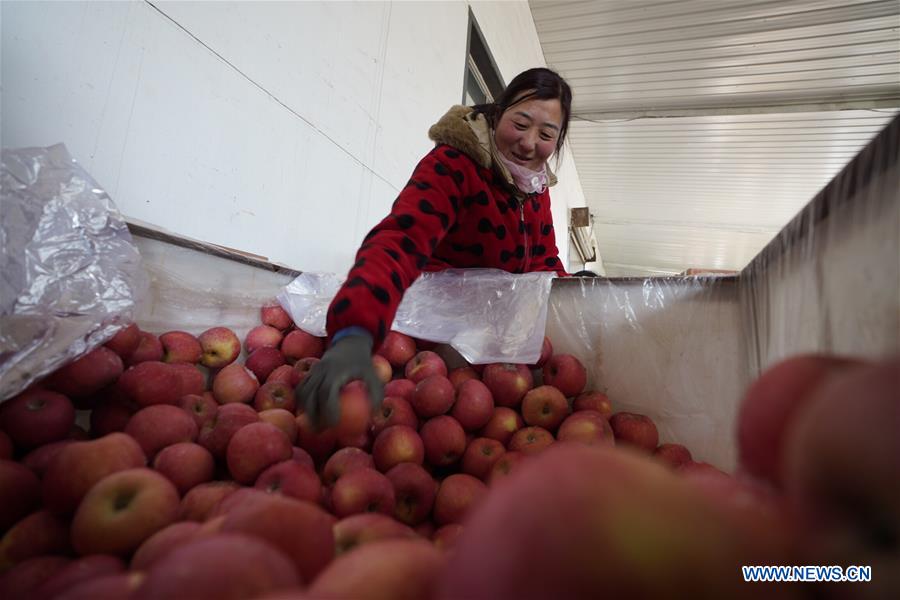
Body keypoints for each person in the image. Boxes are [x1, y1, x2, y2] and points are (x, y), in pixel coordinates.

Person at [297, 67, 573, 427]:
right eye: (520, 124)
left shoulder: (536, 189)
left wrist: (574, 291)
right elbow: (401, 241)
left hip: (496, 354)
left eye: (546, 134)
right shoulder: (454, 165)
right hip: (434, 342)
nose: (528, 143)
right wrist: (355, 330)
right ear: (497, 113)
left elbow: (544, 261)